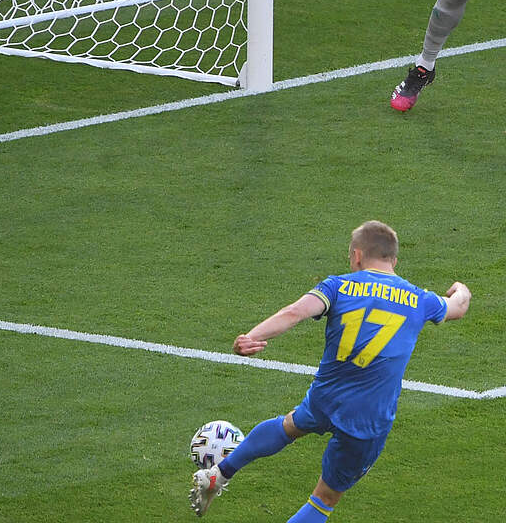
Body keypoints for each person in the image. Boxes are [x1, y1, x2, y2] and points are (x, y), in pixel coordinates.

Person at [188, 220, 471, 520]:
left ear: (357, 255)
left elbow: (294, 312)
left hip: (325, 398)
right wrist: (461, 290)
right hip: (367, 418)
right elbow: (459, 307)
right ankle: (222, 476)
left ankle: (220, 473)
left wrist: (252, 336)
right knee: (324, 499)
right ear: (394, 260)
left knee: (289, 426)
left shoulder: (338, 286)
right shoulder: (419, 299)